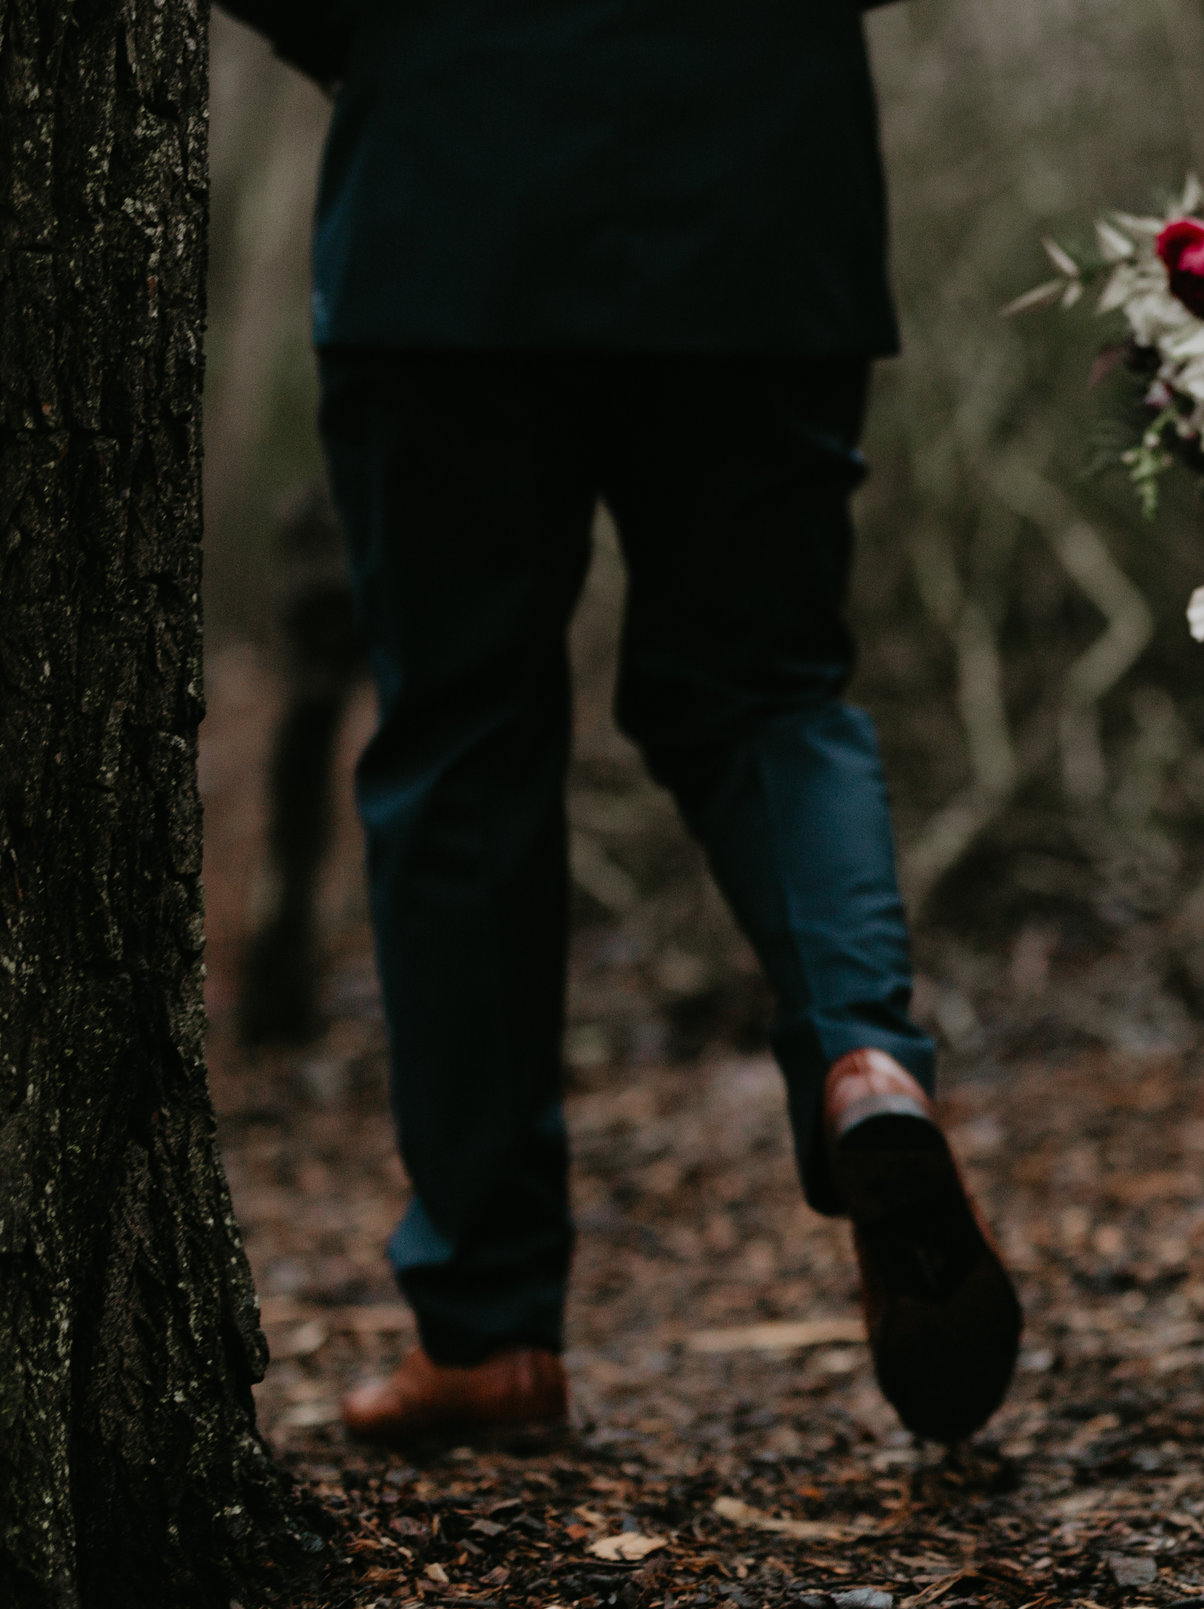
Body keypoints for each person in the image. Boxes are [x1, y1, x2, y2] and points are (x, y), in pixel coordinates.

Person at [215, 0, 1022, 1446]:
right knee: (766, 688)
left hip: (450, 175)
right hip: (761, 179)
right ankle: (866, 1059)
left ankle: (486, 1334)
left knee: (463, 750)